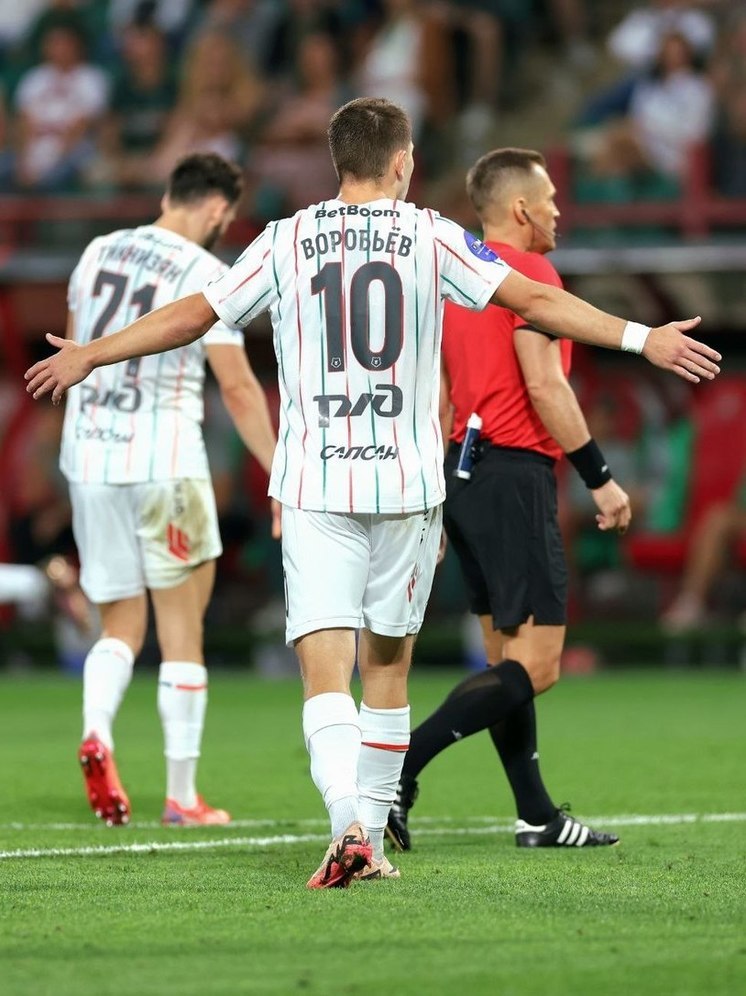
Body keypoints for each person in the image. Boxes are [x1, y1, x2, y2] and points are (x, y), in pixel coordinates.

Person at [25, 98, 720, 888]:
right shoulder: (432, 235)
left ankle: (347, 826)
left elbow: (195, 315)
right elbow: (533, 300)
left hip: (318, 483)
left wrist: (94, 354)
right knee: (387, 671)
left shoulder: (285, 239)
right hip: (407, 485)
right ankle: (373, 840)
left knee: (327, 674)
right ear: (403, 162)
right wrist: (641, 337)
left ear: (338, 162)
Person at [387, 147, 636, 852]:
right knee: (538, 664)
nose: (558, 210)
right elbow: (545, 384)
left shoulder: (453, 284)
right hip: (514, 474)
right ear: (522, 208)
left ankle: (537, 816)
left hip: (461, 476)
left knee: (507, 662)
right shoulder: (530, 275)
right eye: (550, 198)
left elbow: (438, 398)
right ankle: (395, 772)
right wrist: (599, 475)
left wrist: (432, 497)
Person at [53, 152, 278, 827]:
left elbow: (77, 353)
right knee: (182, 634)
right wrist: (278, 471)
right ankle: (182, 795)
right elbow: (237, 387)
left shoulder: (96, 251)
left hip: (89, 457)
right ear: (217, 208)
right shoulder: (209, 271)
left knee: (119, 625)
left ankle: (97, 730)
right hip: (165, 460)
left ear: (168, 194)